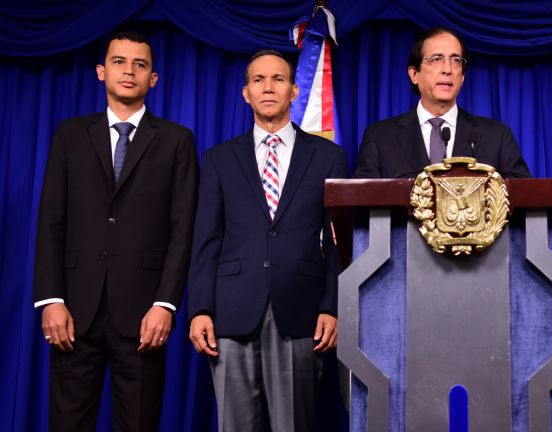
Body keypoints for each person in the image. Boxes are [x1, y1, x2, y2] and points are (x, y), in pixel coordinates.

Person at [34, 30, 199, 431]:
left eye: (140, 64)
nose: (129, 71)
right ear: (101, 71)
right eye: (120, 62)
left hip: (144, 316)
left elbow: (183, 229)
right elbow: (51, 220)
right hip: (73, 309)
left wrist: (166, 304)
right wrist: (50, 298)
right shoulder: (70, 135)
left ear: (153, 78)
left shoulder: (177, 141)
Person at [187, 50, 347, 432]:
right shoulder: (219, 159)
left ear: (294, 90)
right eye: (259, 80)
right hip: (231, 312)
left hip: (302, 310)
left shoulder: (329, 157)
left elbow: (340, 242)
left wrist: (333, 306)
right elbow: (206, 241)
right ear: (246, 93)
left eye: (278, 79)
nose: (268, 87)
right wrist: (199, 309)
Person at [353, 27, 530, 178]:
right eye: (436, 59)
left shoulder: (496, 136)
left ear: (462, 77)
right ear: (414, 74)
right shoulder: (380, 138)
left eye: (456, 60)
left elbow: (524, 199)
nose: (448, 69)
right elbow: (361, 204)